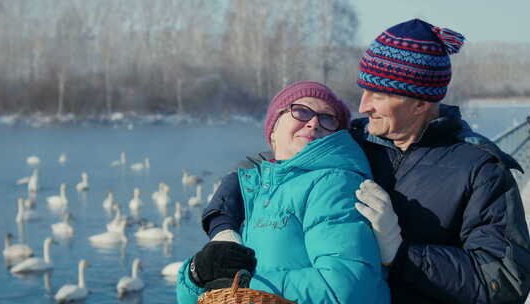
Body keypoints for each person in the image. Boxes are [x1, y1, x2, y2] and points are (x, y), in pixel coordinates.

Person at [200, 19, 530, 304]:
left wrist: (402, 253)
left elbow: (505, 282)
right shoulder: (350, 140)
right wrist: (222, 227)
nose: (364, 105)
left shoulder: (479, 168)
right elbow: (258, 170)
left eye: (379, 95)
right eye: (364, 90)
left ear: (420, 104)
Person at [176, 81, 390, 303]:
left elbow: (347, 289)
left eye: (327, 118)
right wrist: (196, 275)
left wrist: (246, 287)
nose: (314, 122)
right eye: (301, 111)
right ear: (274, 128)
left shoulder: (335, 183)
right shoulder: (253, 188)